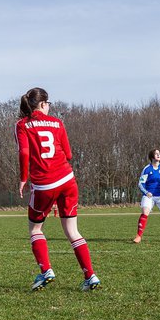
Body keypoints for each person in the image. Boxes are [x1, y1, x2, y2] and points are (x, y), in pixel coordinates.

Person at [14, 87, 100, 291]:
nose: (49, 106)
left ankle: (46, 271)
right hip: (68, 180)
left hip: (44, 184)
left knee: (35, 229)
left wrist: (23, 179)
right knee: (72, 230)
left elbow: (24, 153)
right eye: (49, 103)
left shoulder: (22, 125)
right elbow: (68, 154)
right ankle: (90, 276)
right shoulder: (58, 123)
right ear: (43, 104)